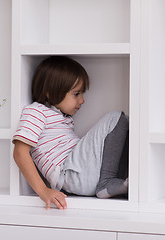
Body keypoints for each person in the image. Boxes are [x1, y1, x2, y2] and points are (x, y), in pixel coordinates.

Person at [12, 56, 129, 210]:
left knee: (128, 128)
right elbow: (20, 152)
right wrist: (43, 190)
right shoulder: (36, 111)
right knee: (115, 118)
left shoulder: (62, 118)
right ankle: (107, 183)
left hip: (79, 177)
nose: (82, 100)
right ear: (49, 92)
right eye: (76, 94)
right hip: (69, 174)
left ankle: (118, 181)